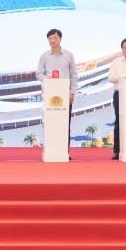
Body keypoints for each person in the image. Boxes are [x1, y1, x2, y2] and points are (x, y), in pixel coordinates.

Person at [35, 28, 79, 158]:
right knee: (51, 124)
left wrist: (72, 92)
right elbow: (39, 74)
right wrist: (47, 79)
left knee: (64, 124)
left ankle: (65, 151)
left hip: (65, 94)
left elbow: (73, 75)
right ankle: (51, 150)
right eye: (50, 38)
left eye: (55, 38)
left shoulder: (68, 55)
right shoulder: (44, 56)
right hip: (50, 94)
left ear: (60, 39)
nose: (52, 40)